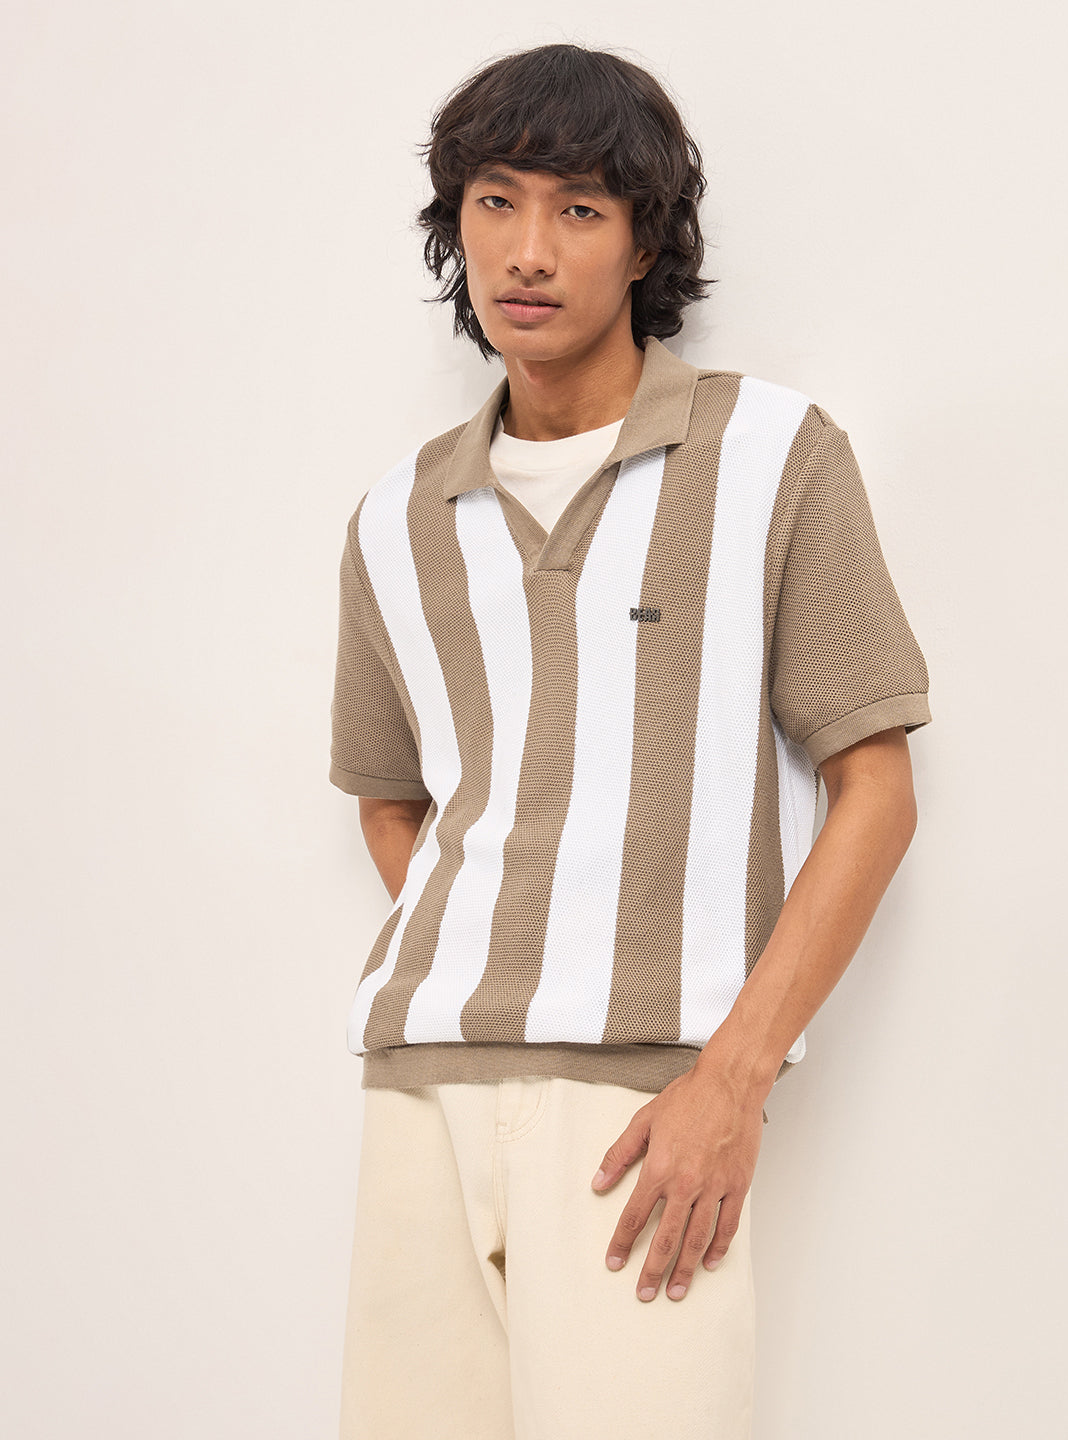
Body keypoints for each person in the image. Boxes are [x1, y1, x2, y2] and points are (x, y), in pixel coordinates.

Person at [329, 42, 930, 1440]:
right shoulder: (397, 515)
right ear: (456, 221)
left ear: (645, 241)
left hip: (647, 1108)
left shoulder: (775, 457)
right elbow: (392, 801)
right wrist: (503, 955)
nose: (528, 250)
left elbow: (877, 791)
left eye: (581, 209)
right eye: (495, 200)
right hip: (421, 1090)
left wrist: (732, 1076)